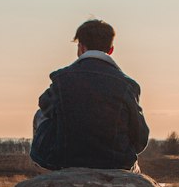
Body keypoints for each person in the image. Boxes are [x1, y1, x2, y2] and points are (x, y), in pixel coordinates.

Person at [31, 19, 150, 171]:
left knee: (39, 114)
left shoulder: (62, 79)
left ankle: (45, 172)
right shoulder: (128, 85)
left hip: (64, 161)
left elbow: (45, 106)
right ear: (111, 49)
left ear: (80, 47)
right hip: (117, 164)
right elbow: (141, 137)